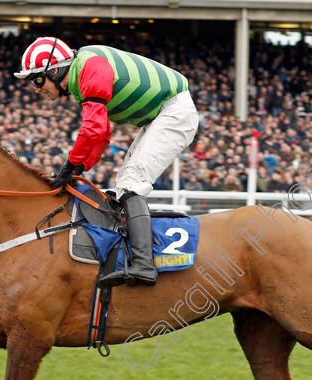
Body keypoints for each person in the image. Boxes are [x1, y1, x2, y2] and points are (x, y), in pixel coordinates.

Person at [14, 37, 199, 287]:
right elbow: (102, 135)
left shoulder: (90, 67)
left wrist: (69, 166)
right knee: (123, 184)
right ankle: (128, 256)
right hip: (161, 115)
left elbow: (93, 129)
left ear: (55, 70)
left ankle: (144, 265)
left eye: (37, 79)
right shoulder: (82, 76)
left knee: (132, 184)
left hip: (174, 112)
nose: (36, 88)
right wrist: (79, 167)